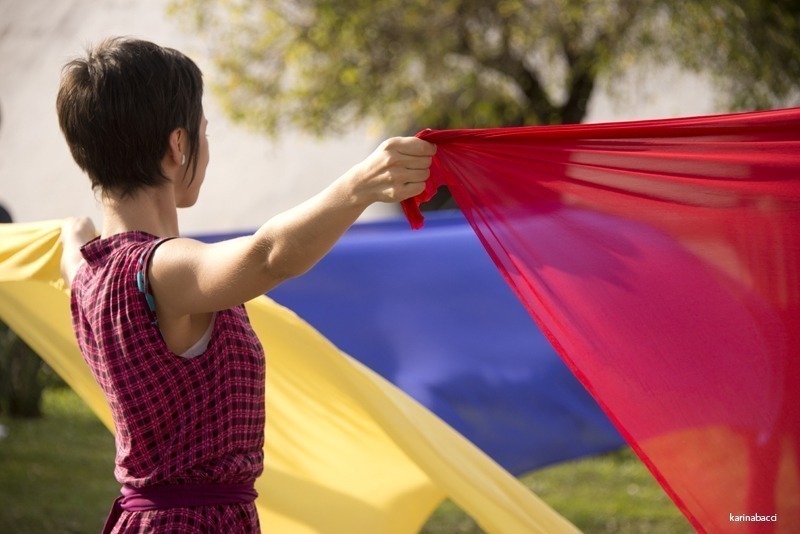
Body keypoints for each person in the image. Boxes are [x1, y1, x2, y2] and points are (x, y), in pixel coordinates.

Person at [56, 37, 435, 534]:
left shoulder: (89, 275)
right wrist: (360, 184)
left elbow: (73, 245)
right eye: (203, 133)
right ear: (178, 146)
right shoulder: (163, 271)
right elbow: (268, 255)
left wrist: (72, 231)